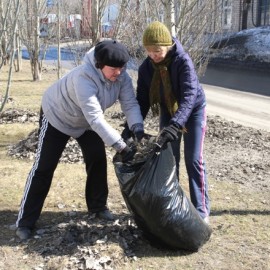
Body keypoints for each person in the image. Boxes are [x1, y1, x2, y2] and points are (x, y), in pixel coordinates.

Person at [15, 39, 145, 240]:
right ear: (100, 65)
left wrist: (138, 129)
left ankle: (98, 207)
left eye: (122, 68)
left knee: (97, 159)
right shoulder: (83, 77)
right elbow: (96, 118)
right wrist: (121, 146)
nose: (118, 73)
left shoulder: (122, 78)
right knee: (44, 167)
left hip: (85, 123)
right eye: (113, 69)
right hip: (57, 116)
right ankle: (25, 222)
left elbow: (129, 103)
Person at [123, 21, 210, 223]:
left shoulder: (182, 61)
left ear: (168, 45)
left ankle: (202, 210)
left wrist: (176, 124)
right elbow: (142, 100)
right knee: (169, 159)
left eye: (157, 50)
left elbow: (189, 98)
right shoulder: (146, 68)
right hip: (167, 110)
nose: (153, 55)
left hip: (194, 110)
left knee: (193, 159)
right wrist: (131, 126)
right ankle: (174, 203)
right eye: (149, 51)